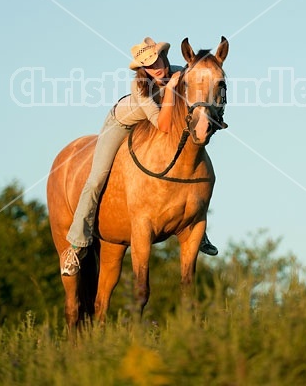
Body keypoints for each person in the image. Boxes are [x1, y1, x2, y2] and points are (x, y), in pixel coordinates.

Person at [61, 37, 218, 276]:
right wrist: (170, 91)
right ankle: (77, 243)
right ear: (142, 69)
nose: (155, 67)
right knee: (96, 178)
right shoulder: (140, 86)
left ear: (165, 57)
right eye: (148, 65)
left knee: (193, 159)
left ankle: (197, 228)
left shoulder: (179, 73)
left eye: (157, 60)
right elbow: (164, 124)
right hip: (123, 124)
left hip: (153, 126)